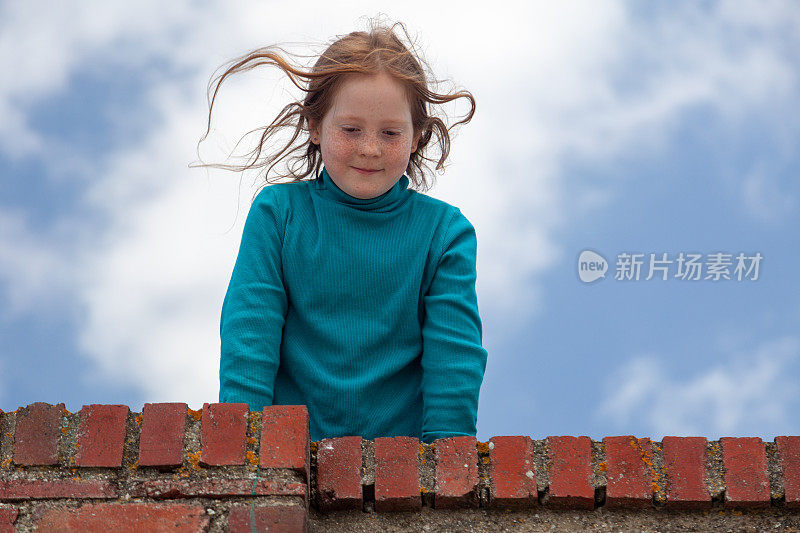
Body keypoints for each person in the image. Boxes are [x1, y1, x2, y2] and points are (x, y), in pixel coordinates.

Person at [200, 19, 487, 444]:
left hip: (402, 472)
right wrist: (245, 445)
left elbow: (454, 358)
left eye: (390, 133)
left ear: (417, 137)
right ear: (315, 126)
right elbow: (250, 332)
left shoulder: (444, 233)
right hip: (285, 459)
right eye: (350, 129)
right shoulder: (279, 213)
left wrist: (445, 466)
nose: (369, 148)